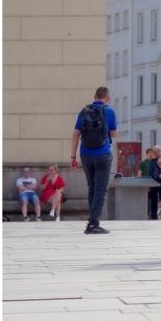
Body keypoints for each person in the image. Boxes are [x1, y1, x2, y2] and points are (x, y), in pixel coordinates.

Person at [70, 86, 117, 234]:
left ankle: (92, 221)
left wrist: (73, 156)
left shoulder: (83, 111)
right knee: (101, 189)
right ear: (107, 98)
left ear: (94, 96)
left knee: (92, 188)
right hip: (103, 153)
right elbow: (114, 134)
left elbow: (75, 134)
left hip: (85, 154)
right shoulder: (109, 111)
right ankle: (93, 224)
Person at [147, 145, 161, 219]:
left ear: (160, 151)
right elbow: (150, 172)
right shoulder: (152, 161)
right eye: (154, 152)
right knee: (154, 199)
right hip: (154, 182)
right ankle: (154, 214)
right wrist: (149, 184)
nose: (154, 153)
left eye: (156, 152)